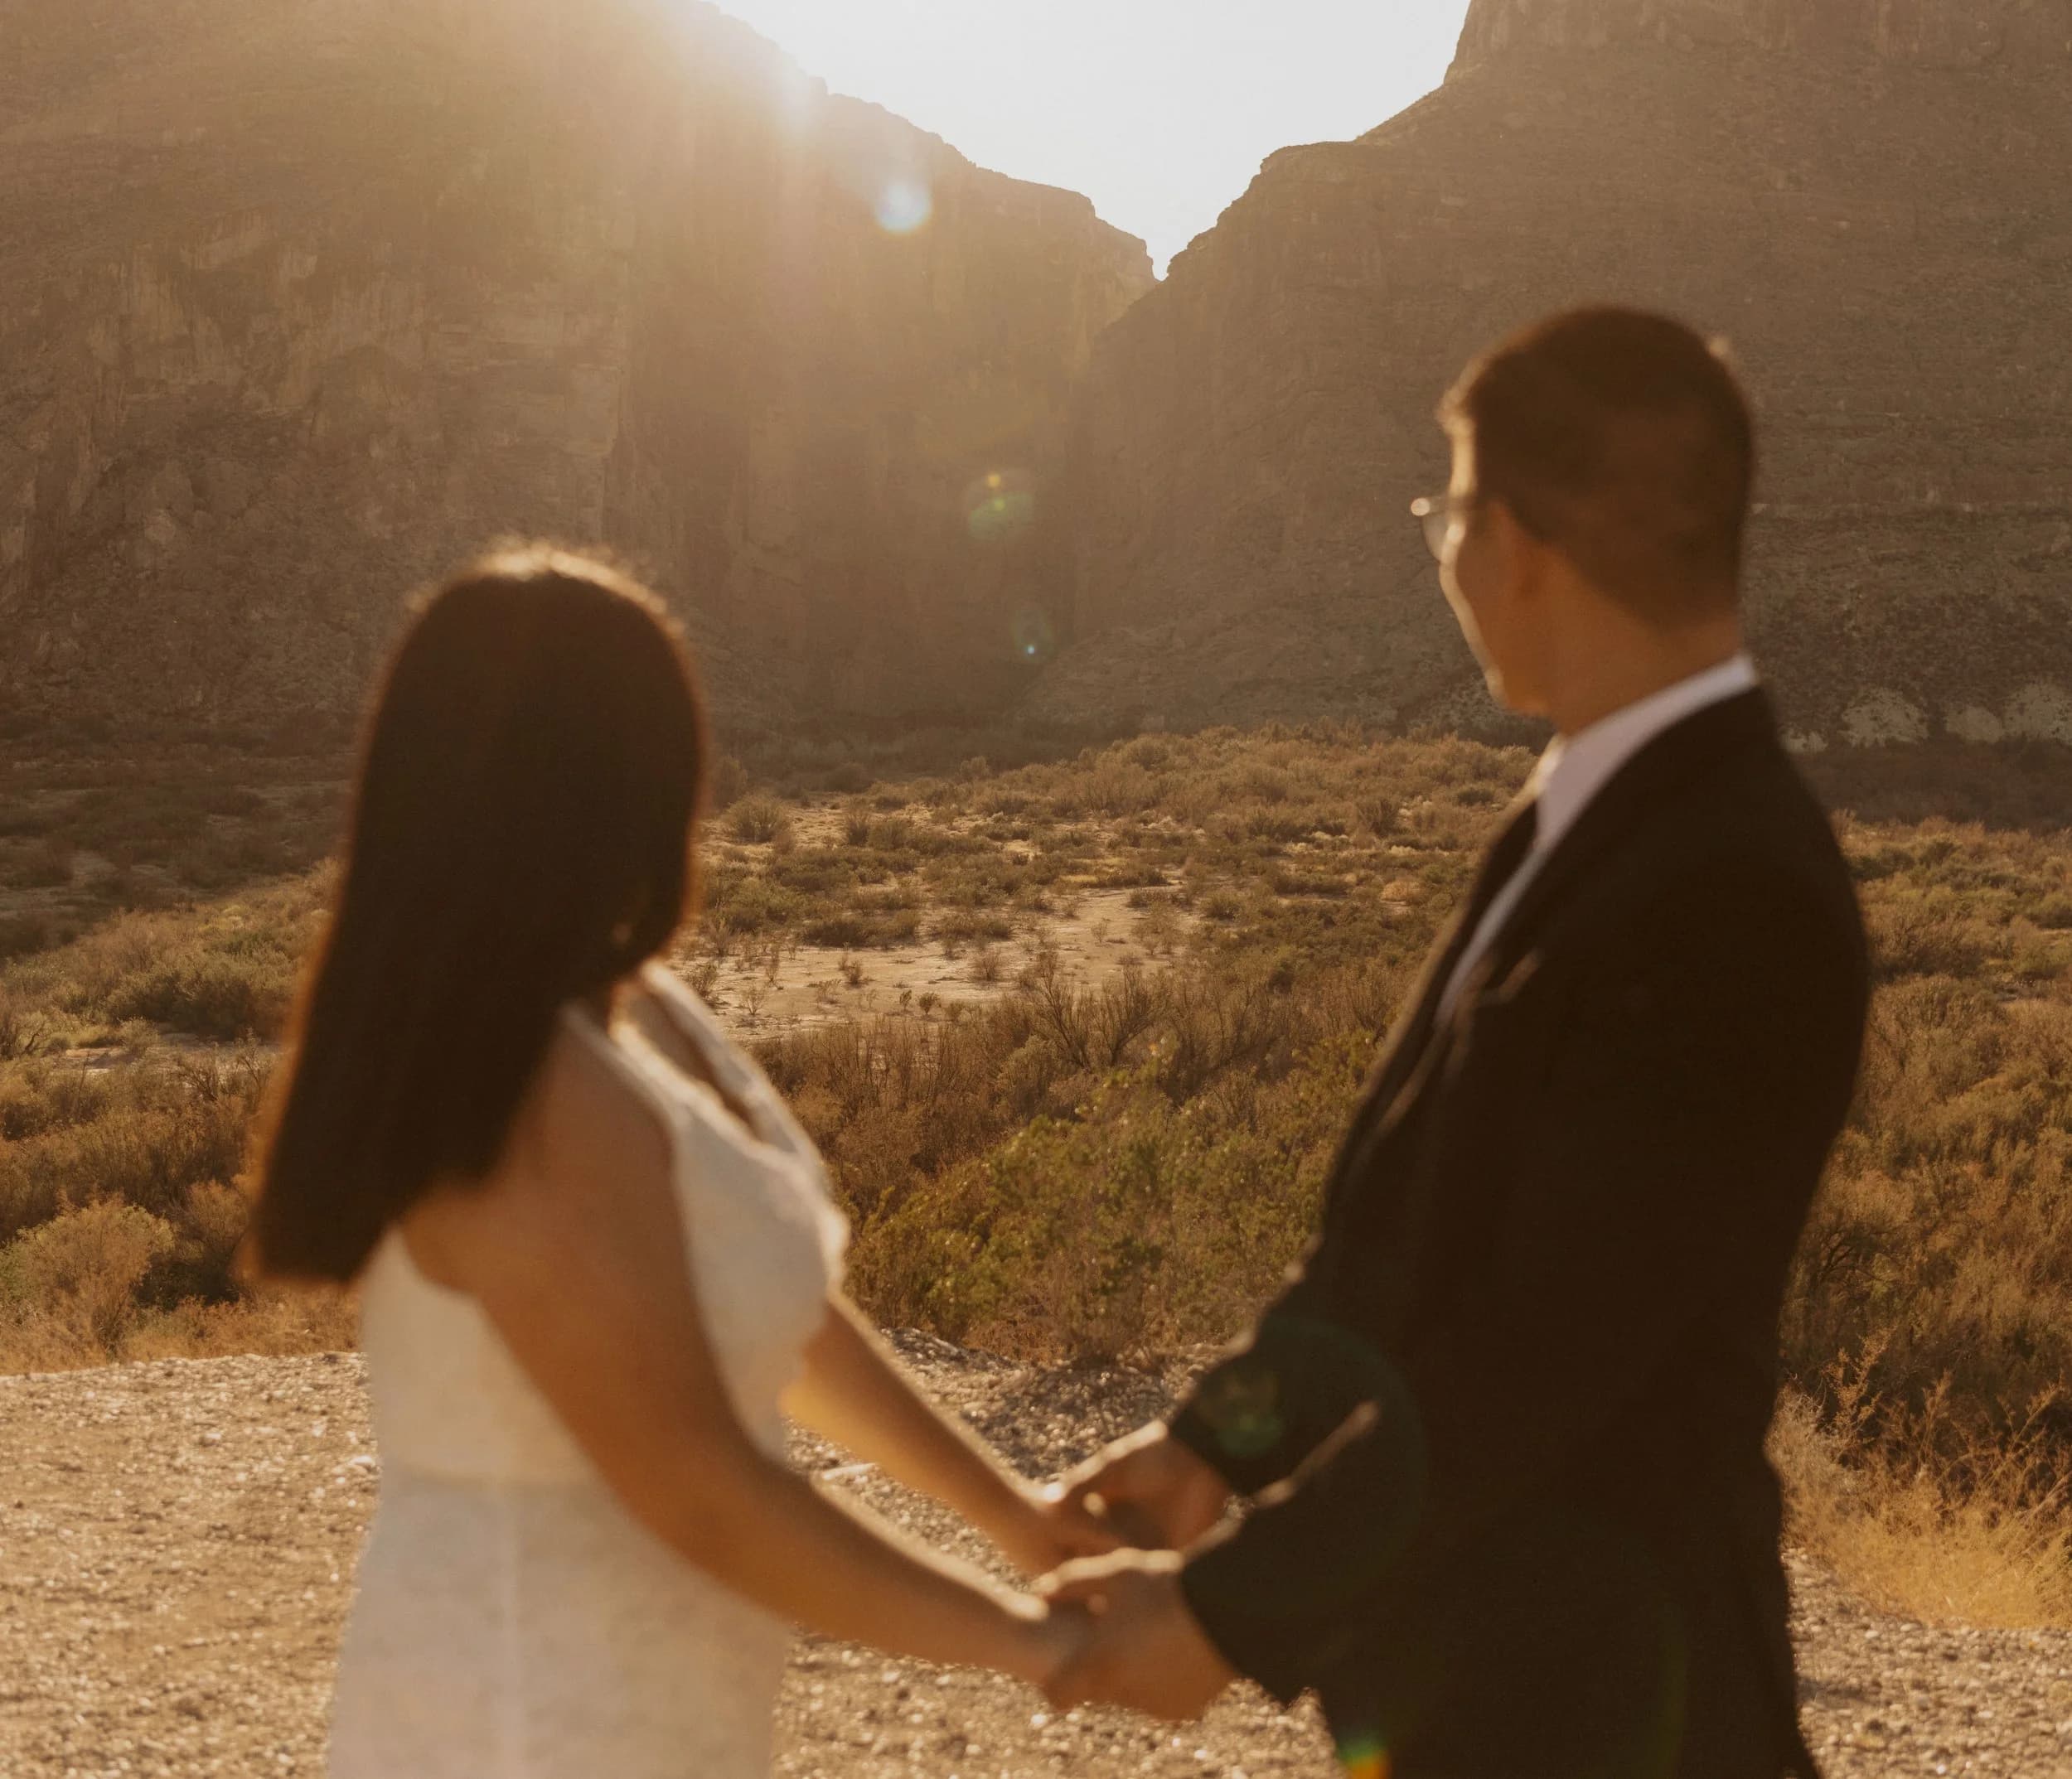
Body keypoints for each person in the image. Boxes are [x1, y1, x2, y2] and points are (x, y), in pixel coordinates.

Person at [1039, 308, 1870, 1779]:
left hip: (1621, 1705)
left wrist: (1233, 1613)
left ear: (1519, 548)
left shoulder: (1734, 886)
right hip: (1478, 1690)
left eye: (1448, 511)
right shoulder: (1587, 814)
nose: (1441, 553)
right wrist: (1212, 1449)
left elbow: (1549, 1350)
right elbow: (1398, 1235)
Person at [249, 549, 1109, 1779]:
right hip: (524, 1714)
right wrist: (1037, 1647)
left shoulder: (637, 1010)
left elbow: (776, 1318)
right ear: (625, 781)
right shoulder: (535, 1090)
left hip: (653, 1701)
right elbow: (698, 1487)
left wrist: (1019, 1523)